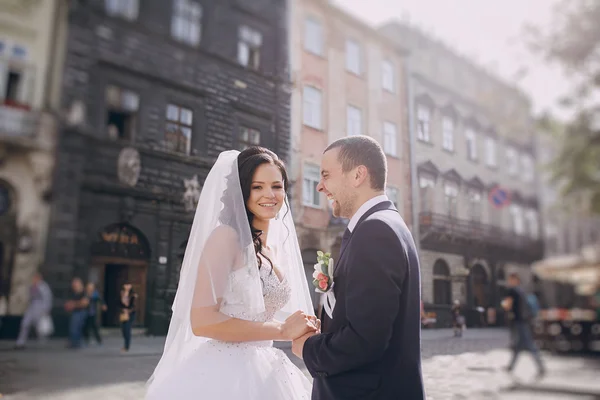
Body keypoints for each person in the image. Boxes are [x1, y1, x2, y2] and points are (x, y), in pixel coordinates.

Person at [145, 147, 317, 399]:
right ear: (241, 190)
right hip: (225, 372)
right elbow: (202, 321)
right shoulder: (226, 238)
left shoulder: (273, 248)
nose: (269, 195)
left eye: (276, 186)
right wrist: (281, 330)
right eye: (257, 187)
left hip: (267, 365)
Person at [292, 136, 425, 399]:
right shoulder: (383, 224)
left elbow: (365, 341)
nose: (320, 186)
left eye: (326, 175)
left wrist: (308, 347)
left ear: (358, 175)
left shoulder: (376, 231)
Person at [502, 272, 546, 379]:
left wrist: (503, 305)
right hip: (524, 321)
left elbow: (507, 305)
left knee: (528, 345)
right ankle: (511, 366)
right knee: (518, 346)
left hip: (518, 322)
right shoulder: (522, 291)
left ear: (514, 280)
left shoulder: (512, 291)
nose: (509, 281)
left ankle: (540, 367)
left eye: (510, 279)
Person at [15, 272, 53, 349]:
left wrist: (46, 310)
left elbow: (47, 298)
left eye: (36, 278)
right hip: (32, 307)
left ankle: (43, 342)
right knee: (25, 324)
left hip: (40, 308)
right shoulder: (31, 286)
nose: (34, 280)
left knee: (40, 327)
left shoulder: (43, 286)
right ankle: (20, 342)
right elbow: (30, 297)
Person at [64, 277, 89, 349]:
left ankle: (76, 343)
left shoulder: (83, 292)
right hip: (75, 312)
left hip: (81, 312)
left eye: (75, 284)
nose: (74, 286)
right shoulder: (74, 293)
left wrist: (73, 304)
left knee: (76, 327)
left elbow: (85, 303)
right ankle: (73, 342)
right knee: (73, 327)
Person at [119, 283, 137, 352]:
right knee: (123, 330)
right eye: (126, 285)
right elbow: (120, 303)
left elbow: (133, 305)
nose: (127, 286)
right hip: (123, 314)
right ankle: (126, 345)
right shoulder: (122, 293)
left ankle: (126, 346)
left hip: (130, 314)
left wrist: (128, 310)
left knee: (127, 329)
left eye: (128, 285)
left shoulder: (133, 295)